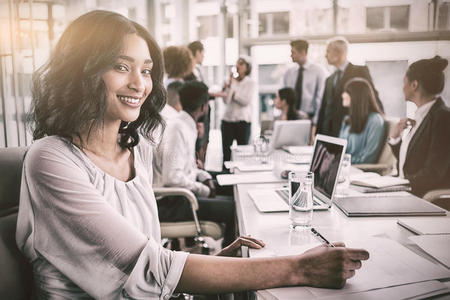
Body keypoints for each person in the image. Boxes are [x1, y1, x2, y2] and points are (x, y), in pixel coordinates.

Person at [16, 10, 369, 298]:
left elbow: (151, 269)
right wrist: (300, 268)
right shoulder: (50, 159)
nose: (139, 84)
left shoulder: (132, 152)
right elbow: (147, 265)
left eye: (146, 70)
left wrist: (218, 263)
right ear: (82, 72)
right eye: (121, 67)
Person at [154, 80, 236, 246]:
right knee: (233, 209)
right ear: (204, 107)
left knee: (230, 187)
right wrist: (203, 189)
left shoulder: (184, 125)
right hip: (170, 201)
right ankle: (231, 262)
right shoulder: (178, 129)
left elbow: (187, 167)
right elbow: (172, 178)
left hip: (178, 195)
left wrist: (203, 176)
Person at [389, 56, 450, 197]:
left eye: (404, 82)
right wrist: (395, 138)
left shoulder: (443, 118)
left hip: (423, 197)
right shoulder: (422, 115)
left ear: (414, 85)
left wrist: (399, 185)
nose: (402, 87)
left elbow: (433, 173)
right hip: (407, 192)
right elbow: (412, 161)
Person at [317, 37, 383, 138]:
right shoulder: (329, 79)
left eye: (328, 51)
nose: (325, 56)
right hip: (328, 133)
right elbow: (323, 108)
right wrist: (318, 133)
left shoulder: (359, 71)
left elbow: (372, 95)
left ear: (338, 53)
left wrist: (382, 117)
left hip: (351, 131)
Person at [283, 39, 326, 139]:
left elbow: (320, 98)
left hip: (310, 119)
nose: (291, 55)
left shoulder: (318, 71)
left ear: (303, 52)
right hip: (291, 120)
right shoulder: (289, 73)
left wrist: (315, 122)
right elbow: (285, 98)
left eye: (293, 52)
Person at [338, 78, 385, 164]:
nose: (343, 94)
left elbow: (368, 158)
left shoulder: (375, 121)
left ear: (357, 96)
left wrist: (342, 162)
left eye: (347, 91)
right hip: (342, 167)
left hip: (357, 170)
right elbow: (339, 150)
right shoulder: (347, 119)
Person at [221, 56, 256, 163]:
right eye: (237, 63)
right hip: (227, 120)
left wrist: (233, 91)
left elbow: (245, 101)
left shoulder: (250, 82)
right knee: (226, 154)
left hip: (243, 122)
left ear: (247, 67)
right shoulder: (228, 81)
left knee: (243, 153)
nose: (238, 66)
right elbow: (226, 101)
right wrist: (229, 85)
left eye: (241, 64)